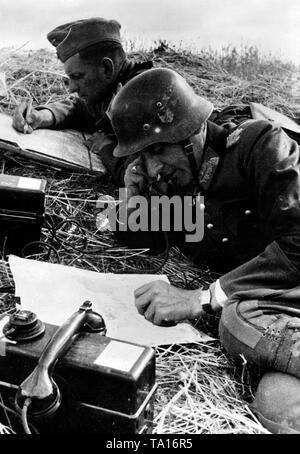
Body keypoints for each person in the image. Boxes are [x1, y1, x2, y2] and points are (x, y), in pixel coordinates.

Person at [108, 67, 300, 434]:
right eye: (142, 157)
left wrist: (206, 297)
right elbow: (138, 239)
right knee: (278, 408)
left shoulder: (259, 145)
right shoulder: (181, 181)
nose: (152, 167)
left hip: (283, 290)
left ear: (191, 130)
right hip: (280, 308)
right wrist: (132, 197)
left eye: (157, 150)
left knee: (236, 319)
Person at [12, 17, 153, 184]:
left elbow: (144, 178)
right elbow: (79, 109)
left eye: (77, 77)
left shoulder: (143, 97)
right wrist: (42, 116)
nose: (71, 88)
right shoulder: (112, 88)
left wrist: (105, 149)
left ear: (106, 68)